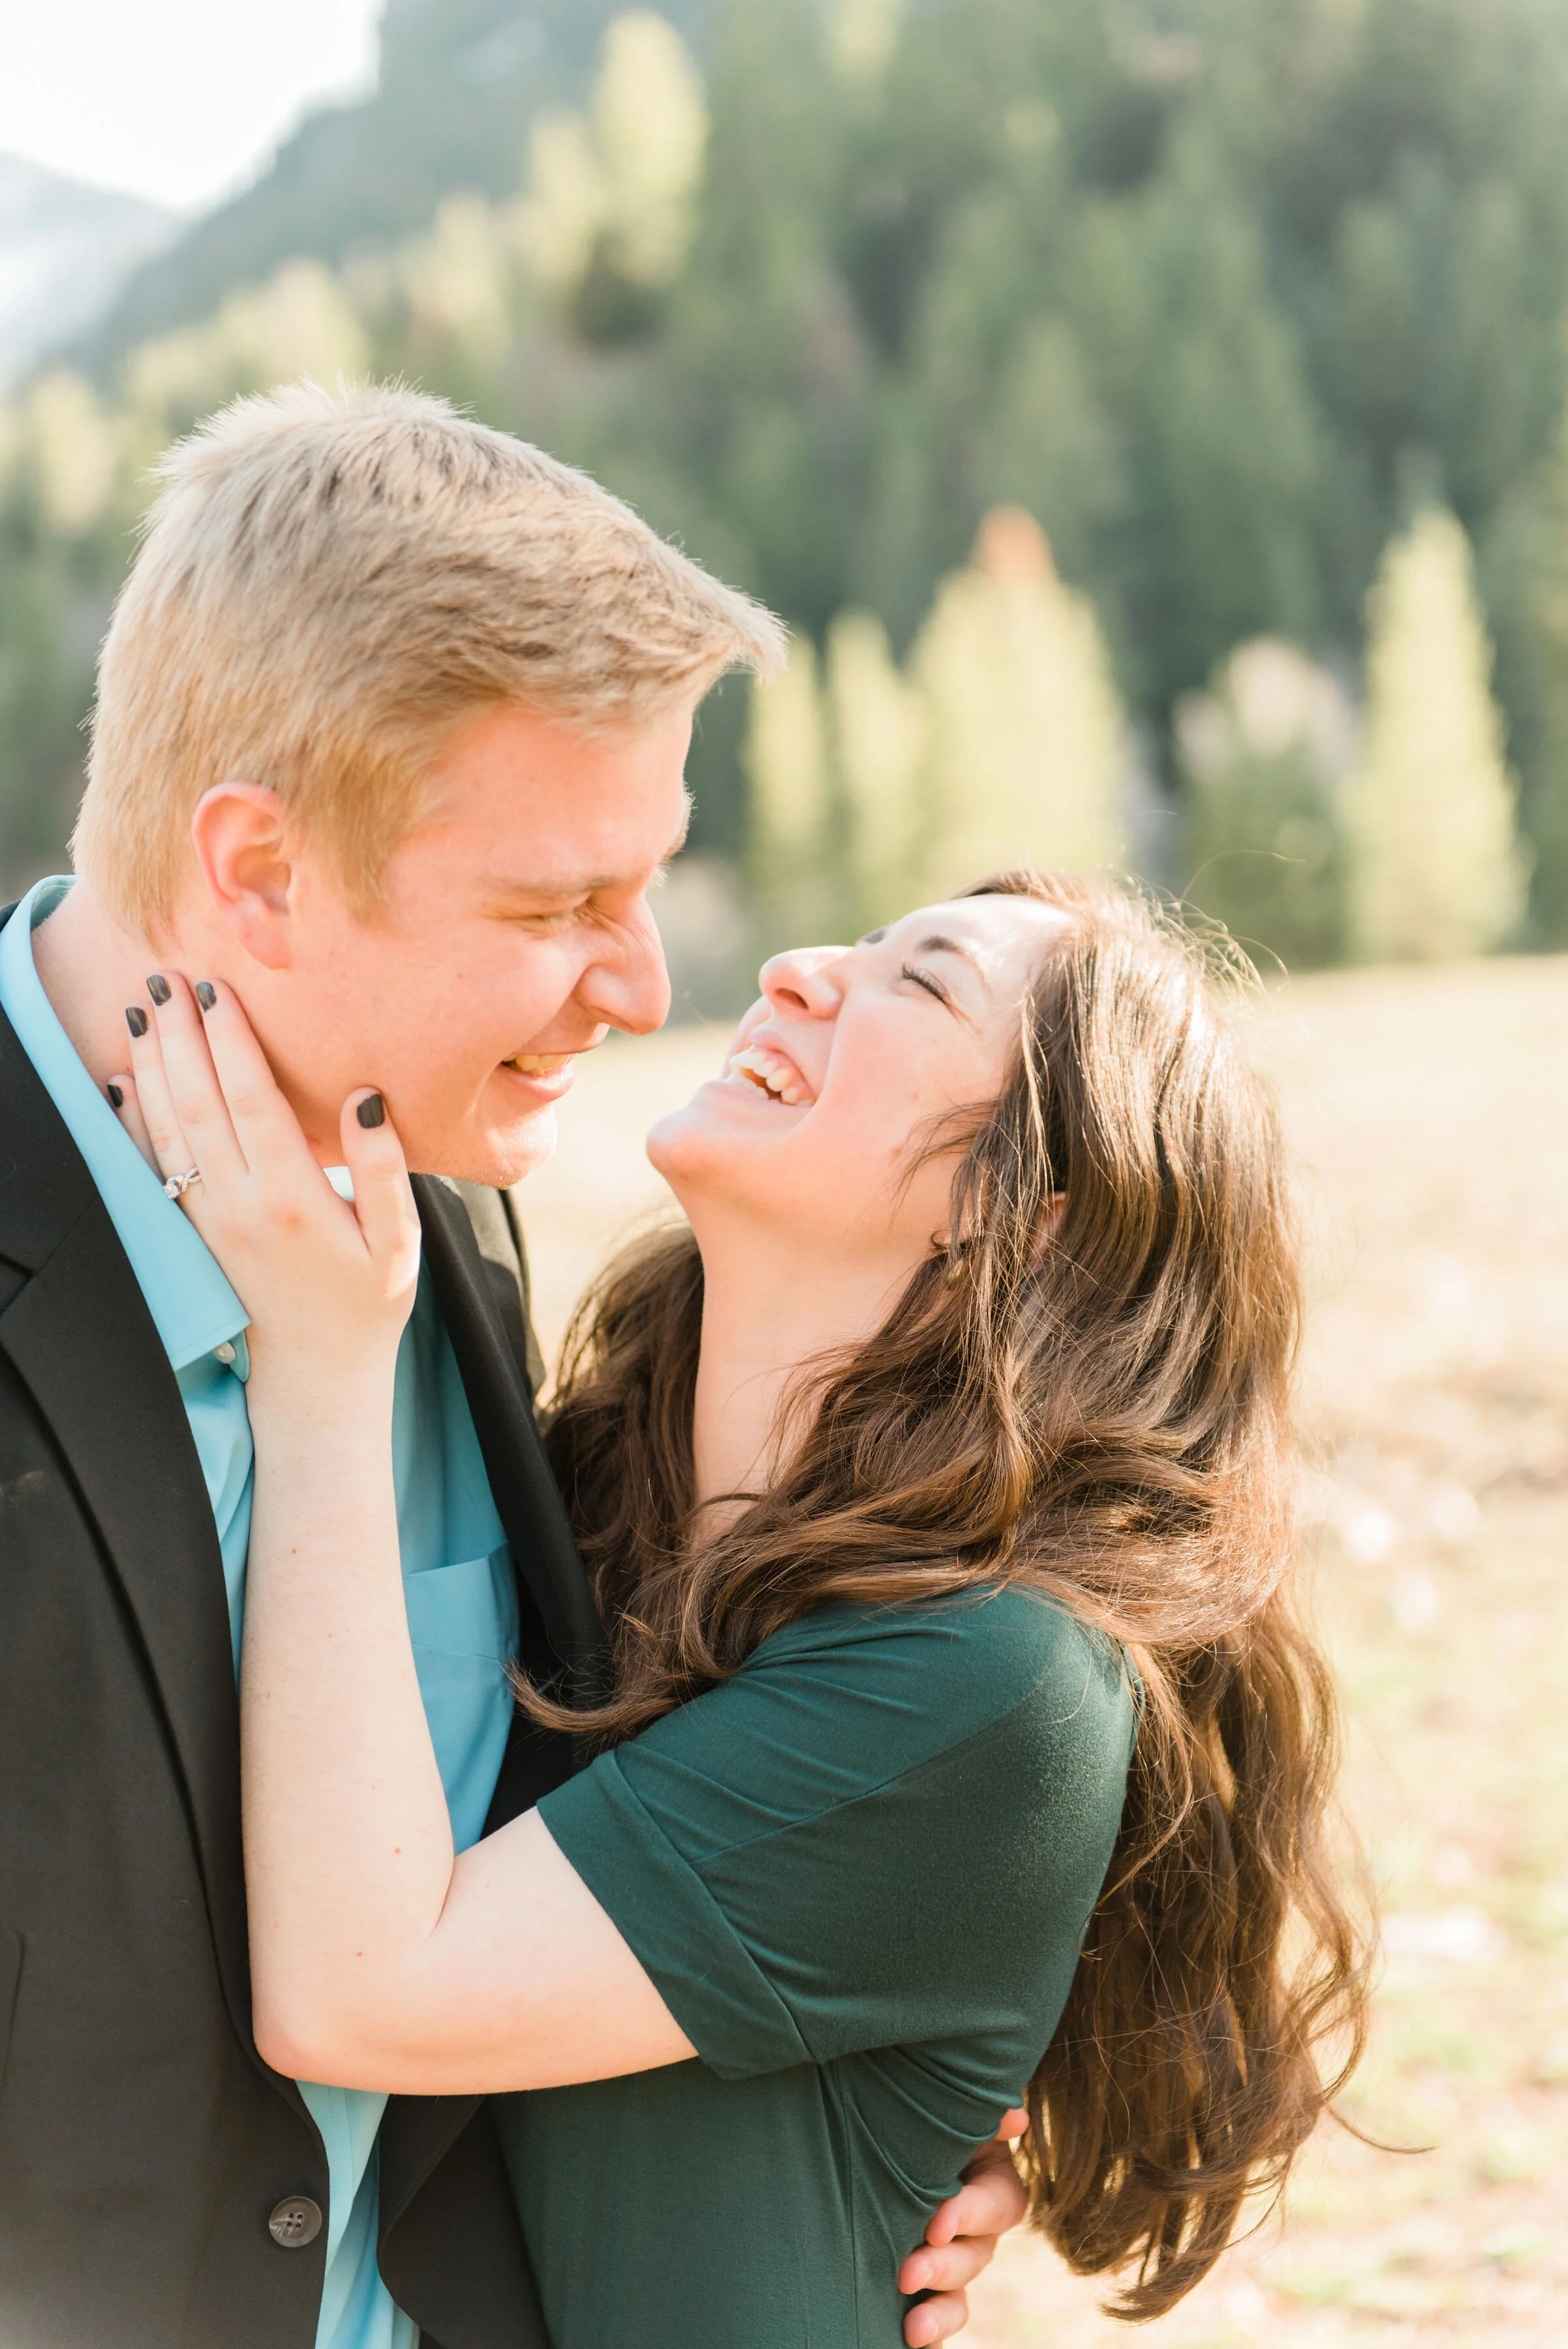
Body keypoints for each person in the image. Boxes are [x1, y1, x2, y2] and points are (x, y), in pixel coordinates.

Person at [0, 382, 1024, 2349]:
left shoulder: (453, 1223)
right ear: (263, 873)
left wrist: (840, 2137)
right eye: (559, 907)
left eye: (650, 883)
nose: (645, 987)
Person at [110, 868, 1372, 2347]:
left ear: (1016, 1220)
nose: (797, 966)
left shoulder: (994, 1682)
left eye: (923, 981)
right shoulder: (582, 1497)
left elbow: (359, 1997)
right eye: (865, 937)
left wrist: (317, 1366)